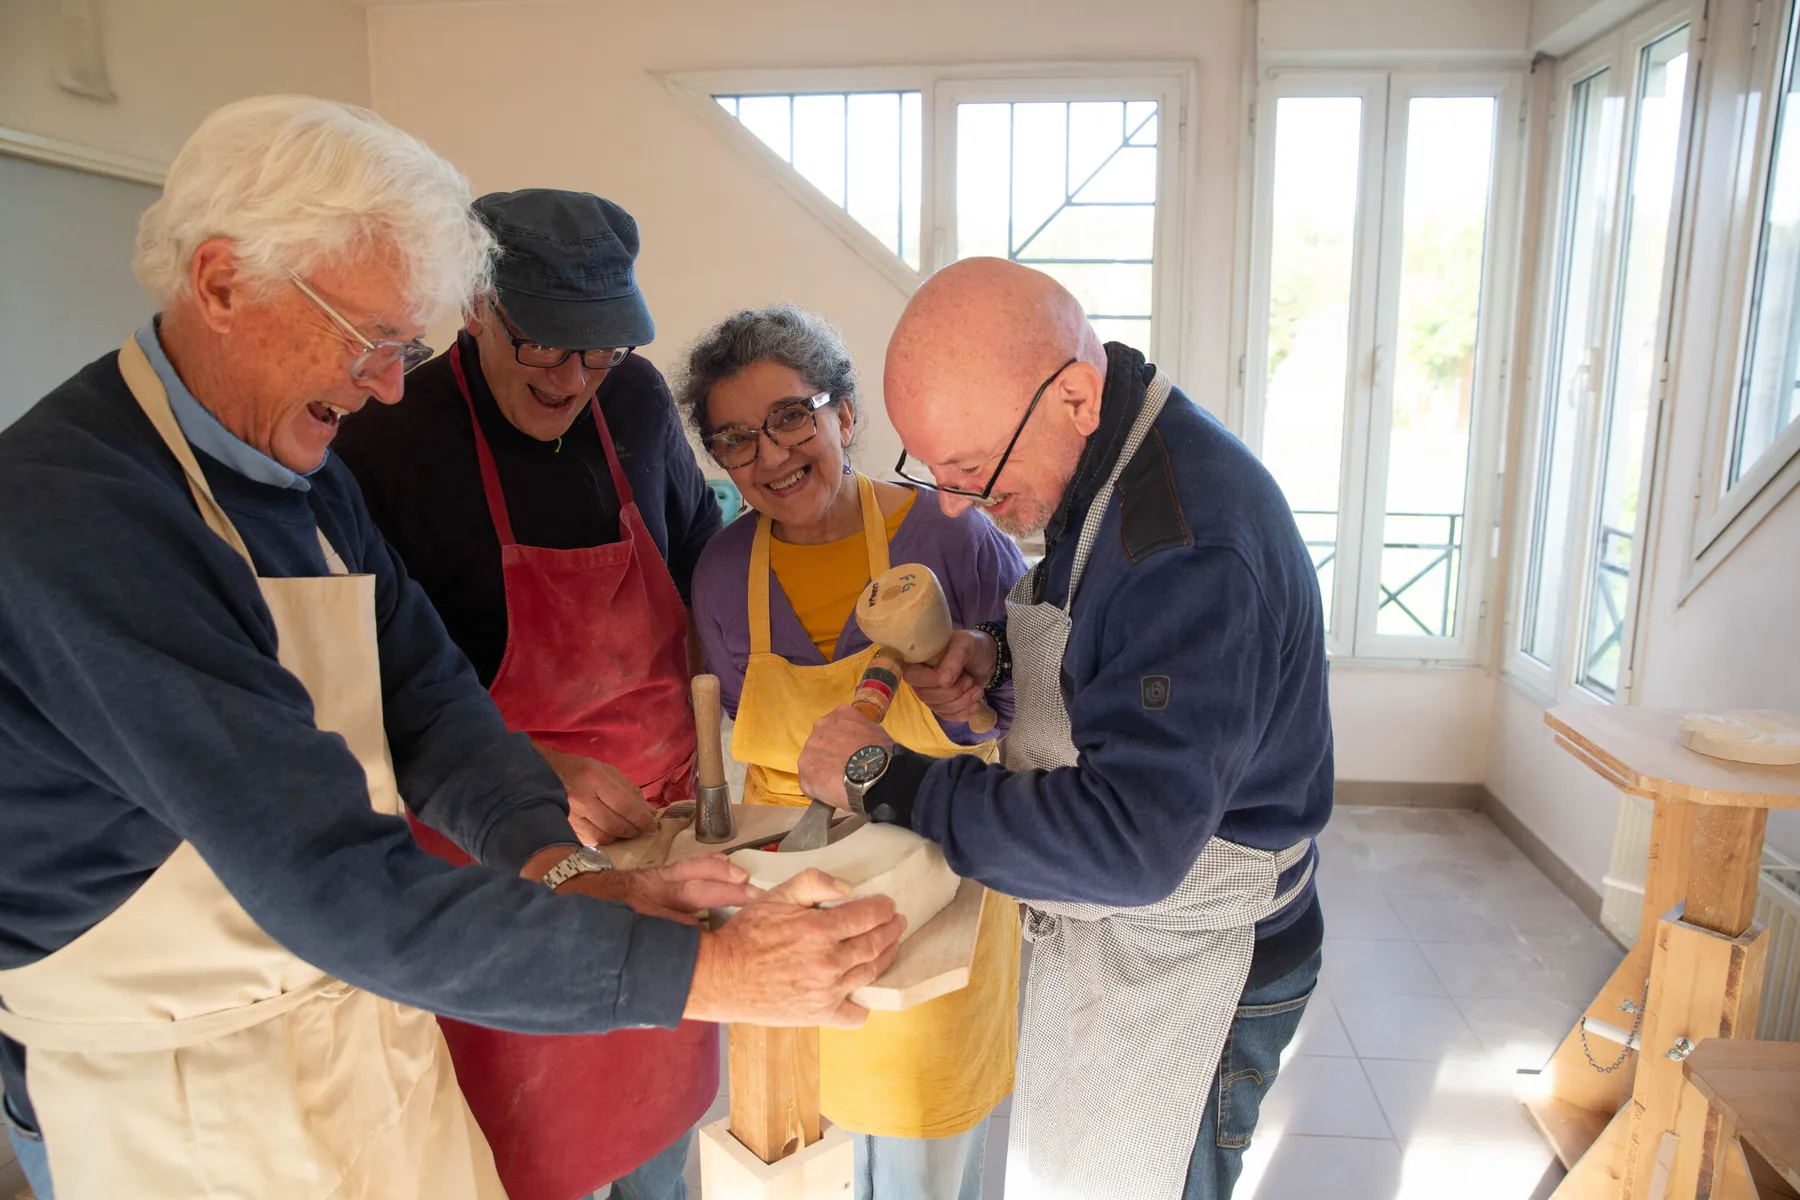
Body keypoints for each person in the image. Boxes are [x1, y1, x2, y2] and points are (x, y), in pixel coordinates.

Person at [0, 95, 904, 1200]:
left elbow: (425, 699)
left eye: (406, 346)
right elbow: (331, 873)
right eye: (372, 339)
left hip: (357, 1025)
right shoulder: (83, 520)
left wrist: (565, 868)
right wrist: (706, 968)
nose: (388, 382)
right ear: (223, 282)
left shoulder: (300, 475)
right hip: (181, 1090)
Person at [798, 259, 1333, 1200]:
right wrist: (996, 656)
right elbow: (1106, 629)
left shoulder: (1189, 547)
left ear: (1074, 395)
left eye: (970, 470)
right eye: (931, 470)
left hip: (1194, 960)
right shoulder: (1113, 446)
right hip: (1127, 937)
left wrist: (891, 778)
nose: (956, 504)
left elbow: (1129, 844)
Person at [333, 189, 720, 1200]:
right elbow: (368, 700)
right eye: (547, 345)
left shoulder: (631, 403)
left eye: (600, 349)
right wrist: (538, 774)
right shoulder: (388, 445)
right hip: (503, 875)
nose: (573, 378)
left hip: (664, 844)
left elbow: (699, 568)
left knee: (662, 1148)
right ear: (475, 306)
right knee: (535, 1159)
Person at [681, 305, 1024, 1200]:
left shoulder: (950, 537)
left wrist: (971, 697)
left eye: (793, 416)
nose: (772, 456)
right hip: (792, 919)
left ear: (845, 415)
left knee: (918, 1169)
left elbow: (1031, 701)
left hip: (933, 909)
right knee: (797, 1154)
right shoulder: (723, 574)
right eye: (736, 440)